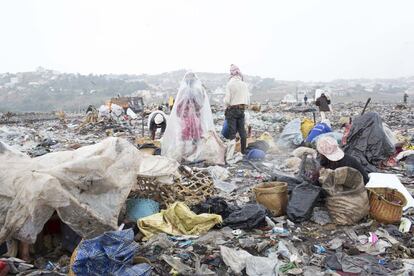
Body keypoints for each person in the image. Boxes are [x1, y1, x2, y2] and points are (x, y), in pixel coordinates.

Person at [161, 71, 215, 161]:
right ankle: (194, 153)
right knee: (196, 135)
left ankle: (186, 154)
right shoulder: (197, 90)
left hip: (186, 118)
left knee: (186, 135)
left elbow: (179, 106)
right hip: (194, 117)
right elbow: (201, 103)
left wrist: (184, 111)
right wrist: (194, 109)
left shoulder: (183, 91)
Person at [224, 64, 250, 154]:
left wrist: (226, 104)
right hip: (241, 110)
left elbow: (227, 100)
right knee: (242, 132)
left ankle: (230, 155)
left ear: (231, 73)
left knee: (232, 133)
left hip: (232, 110)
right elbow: (248, 100)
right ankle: (243, 152)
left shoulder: (230, 84)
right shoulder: (244, 84)